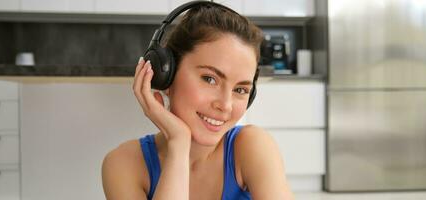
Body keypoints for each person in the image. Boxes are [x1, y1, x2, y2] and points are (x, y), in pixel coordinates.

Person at [102, 2, 293, 199]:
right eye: (210, 79)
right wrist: (178, 144)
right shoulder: (124, 164)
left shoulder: (252, 147)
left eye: (240, 89)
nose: (225, 105)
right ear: (167, 74)